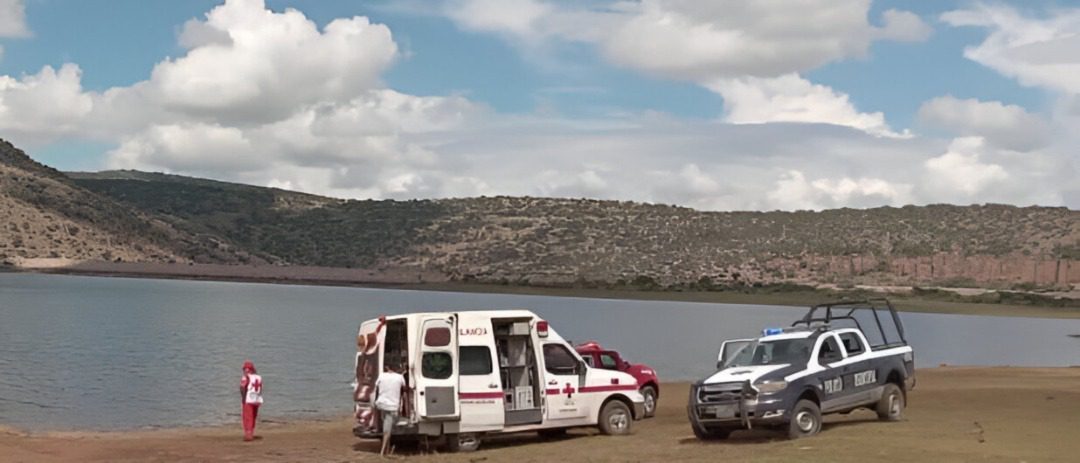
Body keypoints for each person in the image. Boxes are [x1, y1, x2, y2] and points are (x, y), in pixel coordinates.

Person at [374, 363, 406, 457]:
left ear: (387, 367)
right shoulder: (400, 377)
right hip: (392, 406)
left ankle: (387, 450)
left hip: (381, 404)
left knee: (386, 426)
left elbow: (376, 387)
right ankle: (383, 452)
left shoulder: (381, 375)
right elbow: (404, 388)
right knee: (387, 431)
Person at [239, 360, 263, 442]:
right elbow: (261, 389)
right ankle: (251, 431)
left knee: (247, 417)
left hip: (248, 399)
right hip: (256, 399)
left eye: (245, 369)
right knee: (253, 416)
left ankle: (248, 434)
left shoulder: (246, 377)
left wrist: (243, 397)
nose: (245, 371)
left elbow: (242, 387)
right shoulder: (258, 377)